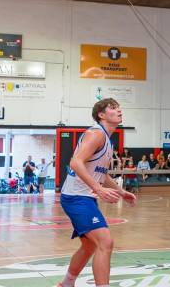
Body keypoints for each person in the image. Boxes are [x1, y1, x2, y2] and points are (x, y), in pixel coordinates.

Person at [58, 98, 136, 287]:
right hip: (76, 197)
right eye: (113, 108)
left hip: (84, 197)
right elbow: (76, 162)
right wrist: (98, 188)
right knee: (105, 242)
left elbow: (101, 172)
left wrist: (121, 191)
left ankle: (66, 283)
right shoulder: (96, 134)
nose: (119, 110)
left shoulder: (107, 140)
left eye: (119, 107)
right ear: (101, 115)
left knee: (90, 245)